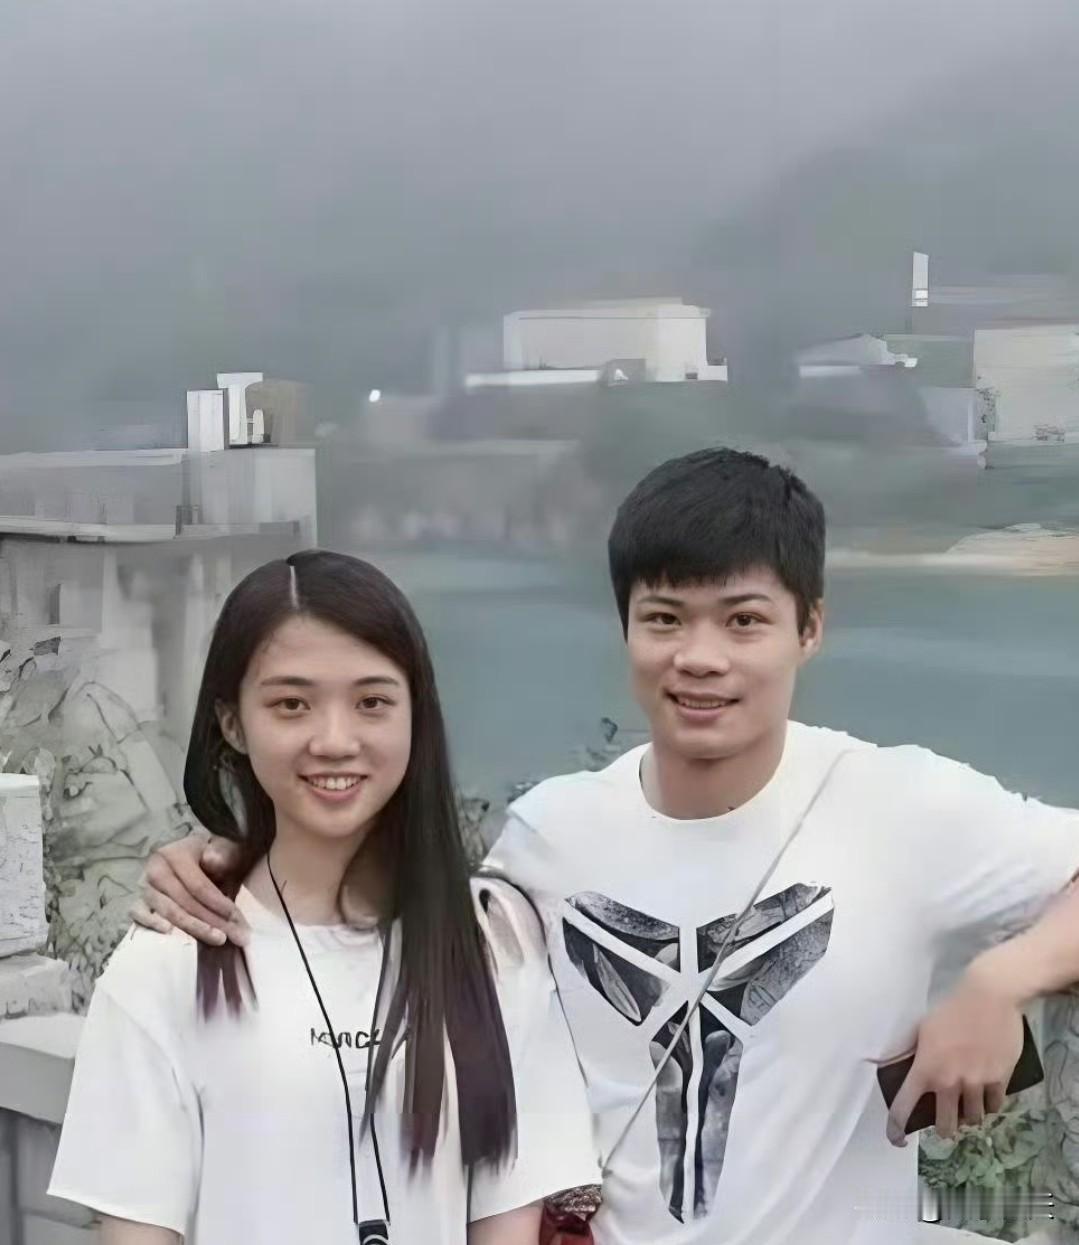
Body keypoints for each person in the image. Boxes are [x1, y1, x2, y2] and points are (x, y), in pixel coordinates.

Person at [133, 450, 1079, 1245]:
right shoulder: (550, 835)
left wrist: (1001, 979)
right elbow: (392, 917)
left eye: (743, 620)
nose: (698, 656)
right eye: (664, 618)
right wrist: (225, 861)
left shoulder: (900, 804)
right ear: (625, 627)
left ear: (810, 628)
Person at [49, 550, 598, 1245]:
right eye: (291, 704)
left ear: (415, 715)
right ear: (232, 723)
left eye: (372, 702)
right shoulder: (168, 960)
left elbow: (507, 1215)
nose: (335, 741)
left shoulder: (491, 945)